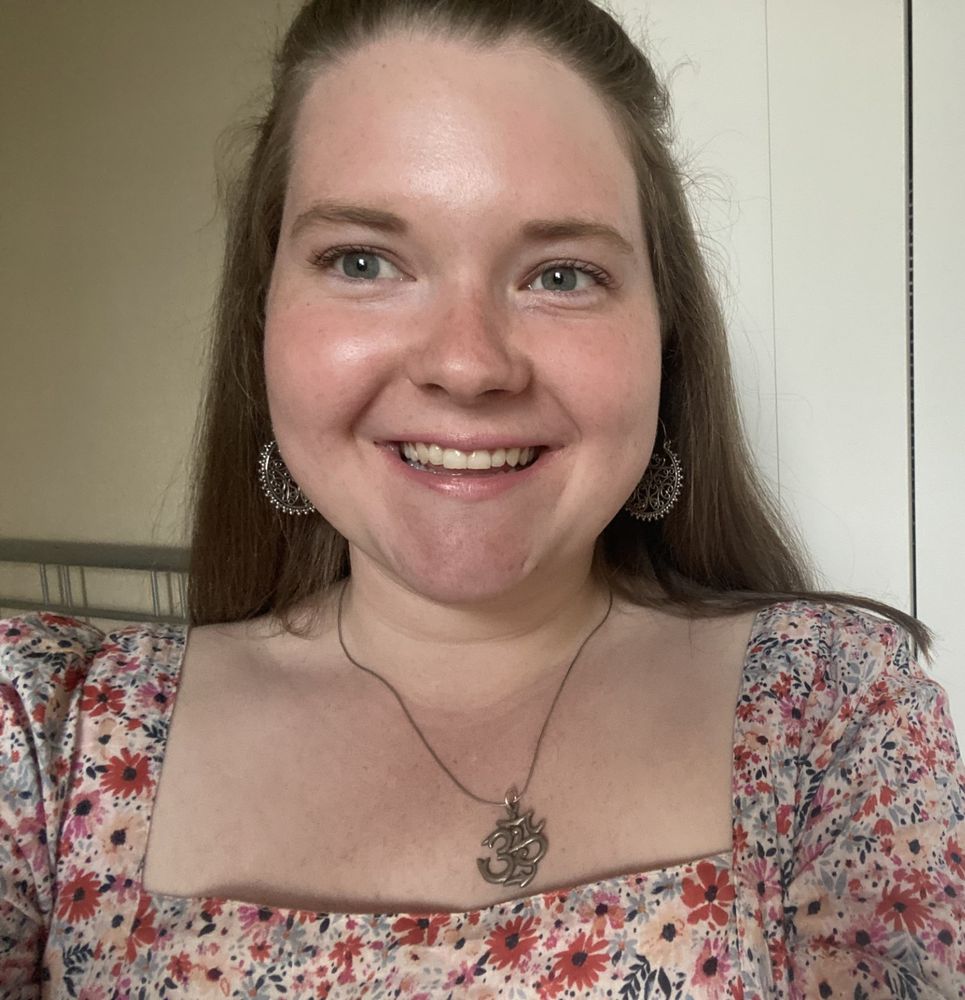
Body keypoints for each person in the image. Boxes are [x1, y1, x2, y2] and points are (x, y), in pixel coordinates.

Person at [2, 0, 963, 995]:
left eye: (560, 274)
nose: (466, 364)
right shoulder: (49, 738)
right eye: (363, 261)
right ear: (264, 317)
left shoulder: (830, 713)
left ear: (663, 341)